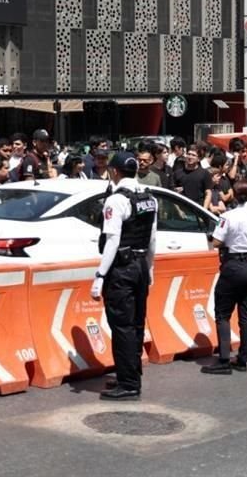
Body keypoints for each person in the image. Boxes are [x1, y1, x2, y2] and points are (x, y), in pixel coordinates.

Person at [89, 153, 157, 401]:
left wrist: (100, 275)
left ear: (114, 171)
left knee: (122, 326)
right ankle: (132, 373)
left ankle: (128, 383)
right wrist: (149, 269)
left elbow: (113, 240)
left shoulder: (116, 201)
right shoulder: (149, 197)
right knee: (136, 323)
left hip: (121, 269)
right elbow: (152, 239)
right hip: (139, 266)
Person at [201, 181, 247, 375]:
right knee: (246, 314)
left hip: (233, 264)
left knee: (223, 313)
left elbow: (216, 242)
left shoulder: (227, 217)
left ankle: (223, 359)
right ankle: (243, 359)